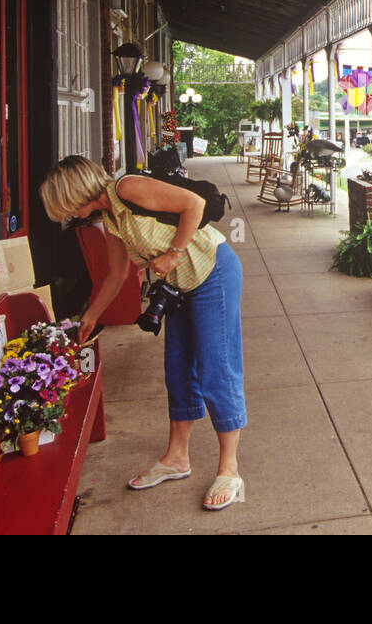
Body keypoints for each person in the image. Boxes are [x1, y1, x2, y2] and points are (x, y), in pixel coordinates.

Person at [39, 155, 246, 511]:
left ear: (74, 192)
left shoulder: (126, 188)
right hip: (179, 287)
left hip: (213, 272)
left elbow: (193, 205)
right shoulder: (111, 219)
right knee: (178, 370)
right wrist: (89, 317)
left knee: (217, 367)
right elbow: (115, 276)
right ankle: (177, 458)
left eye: (65, 206)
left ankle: (230, 468)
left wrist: (173, 254)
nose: (69, 215)